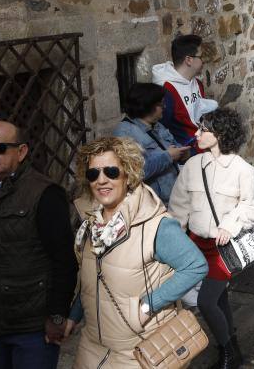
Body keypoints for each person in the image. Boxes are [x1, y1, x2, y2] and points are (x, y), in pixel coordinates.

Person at [67, 136, 207, 368]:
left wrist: (146, 306)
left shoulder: (154, 224)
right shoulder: (91, 222)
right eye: (94, 174)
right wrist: (74, 315)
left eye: (111, 172)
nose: (102, 180)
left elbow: (195, 265)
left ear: (127, 173)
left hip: (140, 350)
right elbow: (94, 277)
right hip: (92, 347)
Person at [168, 109, 254, 369]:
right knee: (219, 300)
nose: (196, 134)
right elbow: (178, 208)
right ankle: (230, 345)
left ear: (218, 134)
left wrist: (229, 226)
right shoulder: (192, 166)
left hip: (223, 250)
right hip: (196, 246)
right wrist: (173, 242)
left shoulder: (242, 170)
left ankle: (228, 352)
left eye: (202, 129)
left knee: (205, 301)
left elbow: (251, 206)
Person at [0, 121, 78, 369]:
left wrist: (57, 315)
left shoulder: (44, 193)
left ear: (22, 152)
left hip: (31, 328)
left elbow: (64, 260)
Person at [113, 83, 190, 205]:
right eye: (160, 104)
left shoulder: (157, 125)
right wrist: (168, 156)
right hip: (154, 204)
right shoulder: (124, 133)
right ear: (148, 105)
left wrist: (182, 154)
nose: (164, 107)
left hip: (174, 198)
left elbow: (173, 146)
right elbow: (134, 172)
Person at [152, 34, 219, 147]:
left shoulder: (197, 84)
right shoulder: (167, 89)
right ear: (189, 60)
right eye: (201, 57)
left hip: (202, 146)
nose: (204, 61)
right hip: (186, 154)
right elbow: (162, 129)